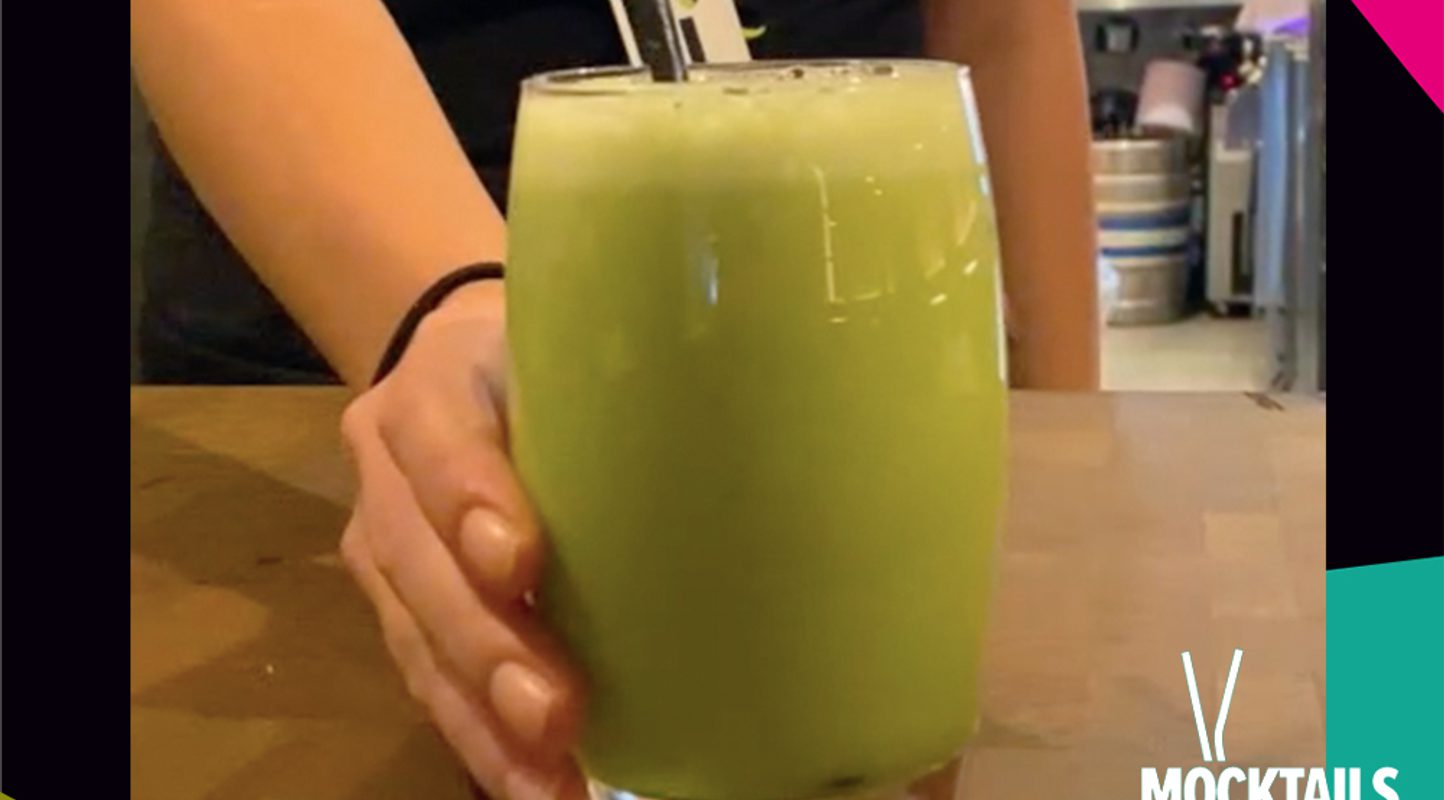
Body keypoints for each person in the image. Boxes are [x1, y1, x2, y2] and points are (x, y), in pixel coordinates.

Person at [131, 2, 1098, 798]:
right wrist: (453, 311)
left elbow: (1002, 25)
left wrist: (1065, 456)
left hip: (883, 235)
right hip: (323, 384)